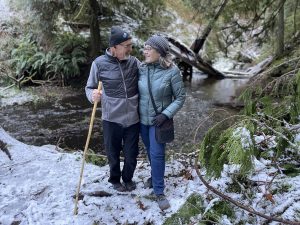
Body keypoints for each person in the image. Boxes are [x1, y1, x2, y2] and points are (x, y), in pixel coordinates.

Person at [85, 26, 140, 192]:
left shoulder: (134, 62)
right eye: (126, 45)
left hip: (133, 117)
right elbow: (89, 87)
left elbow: (149, 75)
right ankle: (115, 180)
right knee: (113, 153)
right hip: (111, 118)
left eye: (131, 44)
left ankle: (128, 178)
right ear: (114, 47)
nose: (130, 49)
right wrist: (92, 95)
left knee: (131, 154)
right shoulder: (99, 64)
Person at [138, 35, 186, 210]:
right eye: (145, 48)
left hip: (159, 121)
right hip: (142, 121)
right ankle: (154, 176)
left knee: (157, 154)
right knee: (150, 152)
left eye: (149, 48)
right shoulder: (142, 69)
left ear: (159, 51)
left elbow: (180, 97)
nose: (145, 52)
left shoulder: (172, 71)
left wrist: (166, 114)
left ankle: (159, 191)